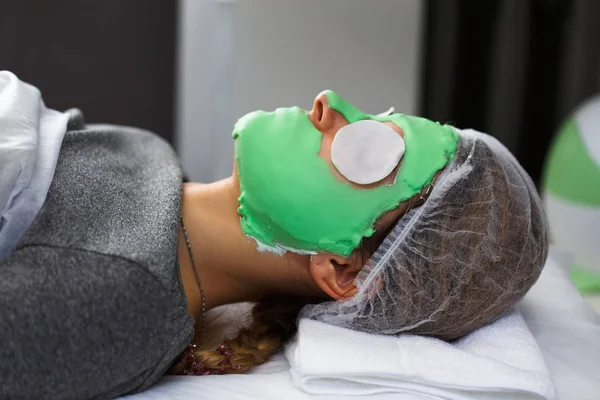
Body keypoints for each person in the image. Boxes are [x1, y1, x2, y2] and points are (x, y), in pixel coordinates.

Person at [0, 72, 548, 399]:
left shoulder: (118, 298)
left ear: (341, 268)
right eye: (374, 115)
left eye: (368, 148)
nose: (329, 103)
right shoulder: (148, 152)